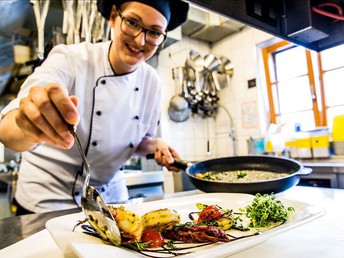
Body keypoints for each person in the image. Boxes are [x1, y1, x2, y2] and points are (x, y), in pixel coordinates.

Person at [0, 0, 189, 215]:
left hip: (109, 200)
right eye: (133, 22)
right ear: (113, 17)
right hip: (47, 198)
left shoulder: (152, 81)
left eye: (154, 33)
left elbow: (137, 142)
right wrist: (26, 124)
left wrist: (156, 144)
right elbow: (7, 129)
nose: (140, 40)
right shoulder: (70, 58)